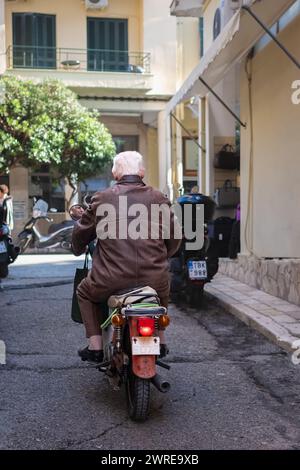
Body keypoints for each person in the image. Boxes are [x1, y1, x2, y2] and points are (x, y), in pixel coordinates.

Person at [72, 151, 182, 363]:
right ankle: (161, 338)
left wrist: (77, 247)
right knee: (162, 292)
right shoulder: (159, 198)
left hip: (109, 280)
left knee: (84, 292)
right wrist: (162, 257)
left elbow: (81, 232)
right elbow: (175, 237)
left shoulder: (102, 198)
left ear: (115, 173)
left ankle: (95, 346)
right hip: (154, 280)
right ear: (142, 172)